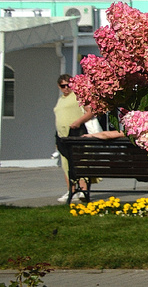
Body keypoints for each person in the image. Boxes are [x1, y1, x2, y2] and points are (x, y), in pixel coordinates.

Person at [53, 74, 97, 202]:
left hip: (77, 133)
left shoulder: (78, 95)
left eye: (69, 85)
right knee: (66, 164)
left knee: (80, 161)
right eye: (63, 86)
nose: (66, 88)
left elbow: (91, 111)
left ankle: (83, 190)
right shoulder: (61, 99)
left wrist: (78, 122)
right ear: (59, 86)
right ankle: (71, 191)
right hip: (62, 135)